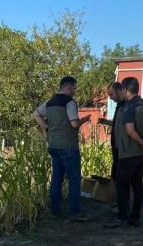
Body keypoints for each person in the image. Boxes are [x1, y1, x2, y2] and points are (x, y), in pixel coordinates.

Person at [33, 75, 91, 219]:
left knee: (57, 178)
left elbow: (36, 114)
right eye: (74, 88)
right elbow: (74, 124)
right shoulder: (70, 102)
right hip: (68, 146)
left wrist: (47, 127)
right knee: (74, 178)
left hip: (53, 145)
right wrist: (85, 119)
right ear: (69, 87)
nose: (75, 91)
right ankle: (75, 211)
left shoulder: (50, 102)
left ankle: (55, 210)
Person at [112, 77, 143, 227]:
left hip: (128, 153)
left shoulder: (129, 107)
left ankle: (122, 216)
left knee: (121, 184)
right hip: (142, 155)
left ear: (124, 89)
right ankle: (135, 216)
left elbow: (129, 130)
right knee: (137, 185)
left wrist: (141, 141)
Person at [97, 82, 125, 181]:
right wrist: (106, 122)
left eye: (111, 94)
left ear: (119, 91)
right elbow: (119, 123)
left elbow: (127, 126)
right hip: (116, 147)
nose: (110, 98)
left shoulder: (126, 107)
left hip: (123, 148)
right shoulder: (119, 105)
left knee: (120, 176)